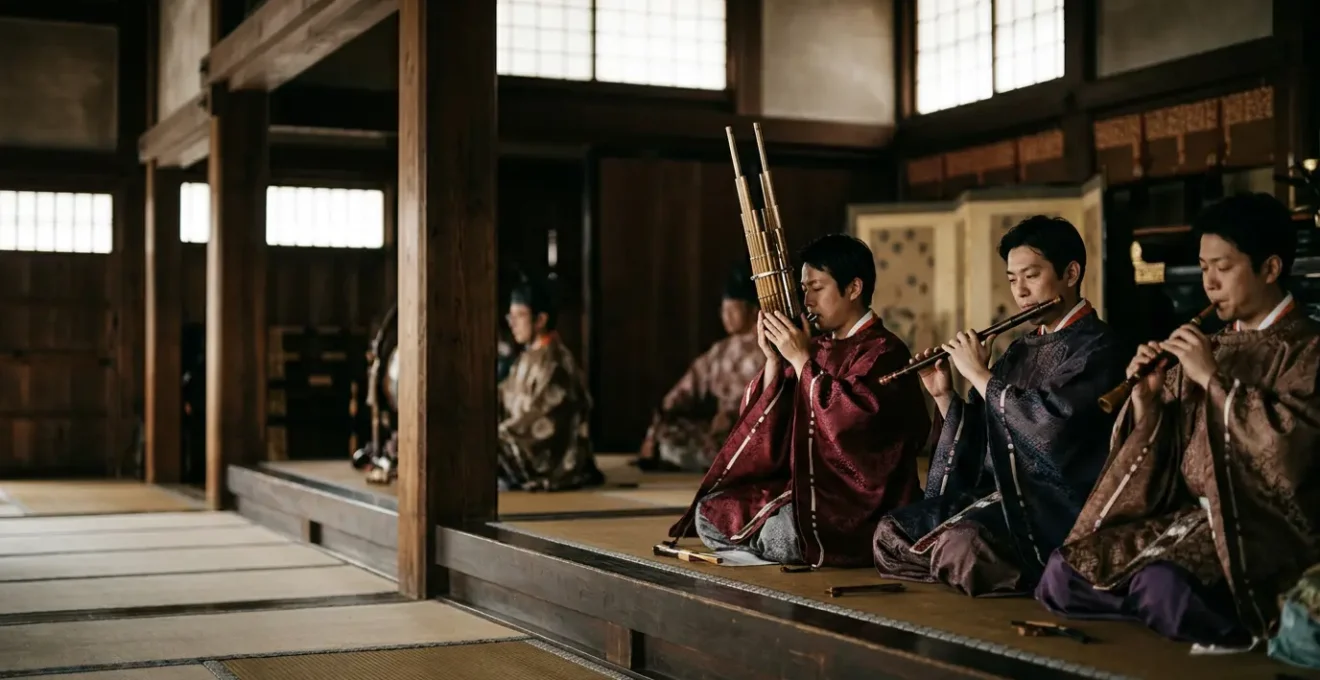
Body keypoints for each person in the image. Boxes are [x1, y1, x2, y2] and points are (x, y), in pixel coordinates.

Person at [1035, 193, 1320, 650]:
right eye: (1203, 267)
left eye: (1222, 268)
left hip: (1259, 527)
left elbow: (1289, 454)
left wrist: (1212, 380)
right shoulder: (1211, 343)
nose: (1209, 283)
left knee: (1161, 587)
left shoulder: (1308, 350)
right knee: (1062, 575)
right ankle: (1164, 613)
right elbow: (1165, 451)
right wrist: (1148, 403)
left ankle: (1197, 617)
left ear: (1269, 269)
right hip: (1187, 517)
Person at [871, 216, 1123, 596]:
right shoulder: (1020, 349)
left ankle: (1025, 573)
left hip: (1053, 507)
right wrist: (943, 394)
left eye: (1031, 276)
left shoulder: (1100, 347)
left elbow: (1051, 433)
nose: (1020, 291)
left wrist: (979, 374)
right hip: (999, 496)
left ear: (1071, 273)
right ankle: (969, 567)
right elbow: (980, 433)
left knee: (964, 547)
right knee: (890, 532)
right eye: (1011, 279)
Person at [666, 234, 930, 567]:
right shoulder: (818, 346)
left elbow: (856, 426)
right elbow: (769, 419)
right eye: (804, 290)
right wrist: (776, 361)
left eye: (817, 289)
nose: (807, 302)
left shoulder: (884, 352)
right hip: (808, 487)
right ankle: (767, 547)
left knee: (785, 530)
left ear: (853, 288)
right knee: (712, 511)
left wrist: (804, 364)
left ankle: (772, 546)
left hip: (858, 501)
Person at [636, 266, 766, 472]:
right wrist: (658, 425)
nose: (726, 316)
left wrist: (734, 415)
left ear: (753, 310)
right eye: (723, 310)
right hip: (721, 433)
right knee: (669, 433)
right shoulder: (720, 351)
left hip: (757, 432)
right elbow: (683, 391)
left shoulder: (770, 347)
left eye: (732, 310)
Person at [497, 277, 604, 491]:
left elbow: (544, 416)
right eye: (511, 315)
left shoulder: (555, 363)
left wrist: (501, 435)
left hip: (550, 455)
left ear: (540, 319)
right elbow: (502, 395)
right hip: (516, 435)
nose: (513, 323)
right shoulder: (527, 357)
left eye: (520, 315)